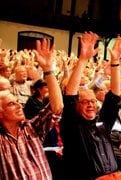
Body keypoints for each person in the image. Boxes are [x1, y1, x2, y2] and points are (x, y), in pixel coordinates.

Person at [60, 32, 121, 180]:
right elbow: (70, 96)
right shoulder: (72, 125)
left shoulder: (102, 123)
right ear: (76, 105)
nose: (91, 105)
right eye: (85, 102)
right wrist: (83, 60)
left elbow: (115, 95)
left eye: (93, 101)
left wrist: (115, 61)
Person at [0, 38, 63, 179]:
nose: (18, 105)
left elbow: (57, 107)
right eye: (11, 104)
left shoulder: (31, 129)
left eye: (17, 102)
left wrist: (48, 69)